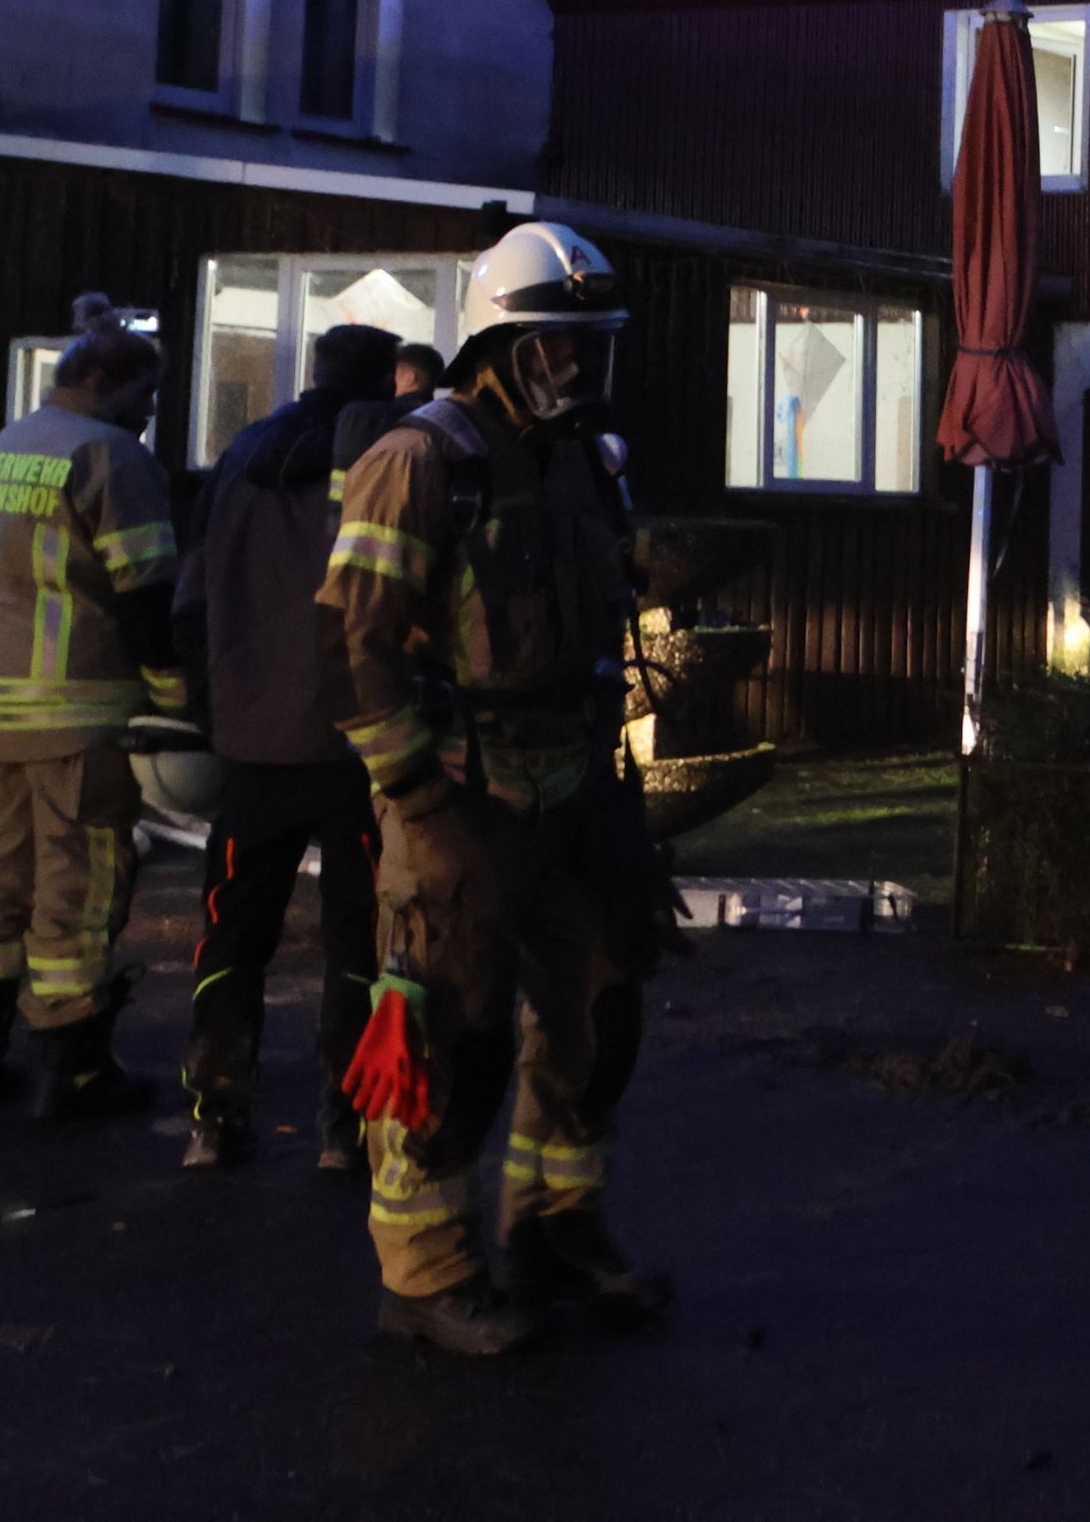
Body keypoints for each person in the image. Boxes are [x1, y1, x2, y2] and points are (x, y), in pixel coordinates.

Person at [322, 223, 672, 1357]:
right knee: (453, 1045)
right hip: (459, 798)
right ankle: (424, 1274)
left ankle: (554, 1230)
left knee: (597, 1016)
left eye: (591, 348)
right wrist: (412, 791)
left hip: (573, 782)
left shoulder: (583, 462)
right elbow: (354, 645)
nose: (579, 369)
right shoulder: (421, 460)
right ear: (500, 347)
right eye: (559, 348)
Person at [0, 295, 180, 1118]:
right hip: (84, 709)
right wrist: (178, 696)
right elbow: (144, 592)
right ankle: (73, 1073)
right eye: (143, 397)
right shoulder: (114, 457)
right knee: (82, 884)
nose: (148, 418)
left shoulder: (9, 445)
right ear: (104, 380)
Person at [174, 320, 401, 1172]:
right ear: (381, 380)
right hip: (357, 745)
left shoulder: (240, 458)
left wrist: (213, 710)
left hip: (252, 744)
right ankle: (344, 1129)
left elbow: (191, 599)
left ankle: (212, 1115)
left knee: (231, 935)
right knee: (360, 941)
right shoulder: (388, 455)